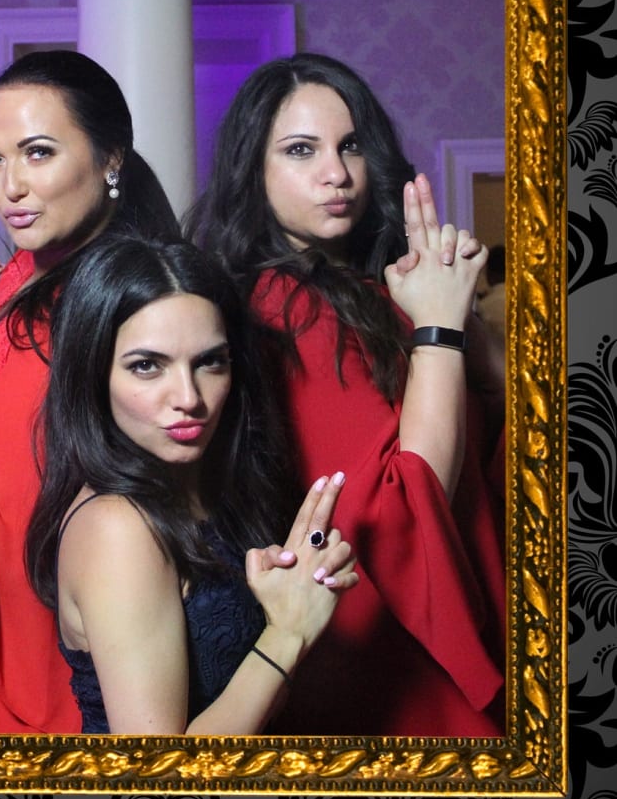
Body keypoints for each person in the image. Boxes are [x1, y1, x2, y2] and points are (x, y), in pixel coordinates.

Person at [189, 52, 506, 737]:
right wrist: (439, 328)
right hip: (383, 650)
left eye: (351, 145)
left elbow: (494, 439)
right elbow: (408, 501)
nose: (336, 174)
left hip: (429, 624)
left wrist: (459, 322)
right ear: (253, 171)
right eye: (301, 150)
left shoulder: (374, 293)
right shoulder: (285, 306)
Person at [0, 50, 179, 734]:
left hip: (38, 642)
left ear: (111, 157)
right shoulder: (7, 282)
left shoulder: (129, 301)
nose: (10, 186)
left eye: (38, 153)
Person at [25, 236, 358, 734]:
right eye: (146, 366)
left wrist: (299, 594)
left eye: (209, 362)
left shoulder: (215, 492)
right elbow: (163, 770)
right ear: (93, 373)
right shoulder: (118, 527)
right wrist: (287, 634)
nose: (189, 397)